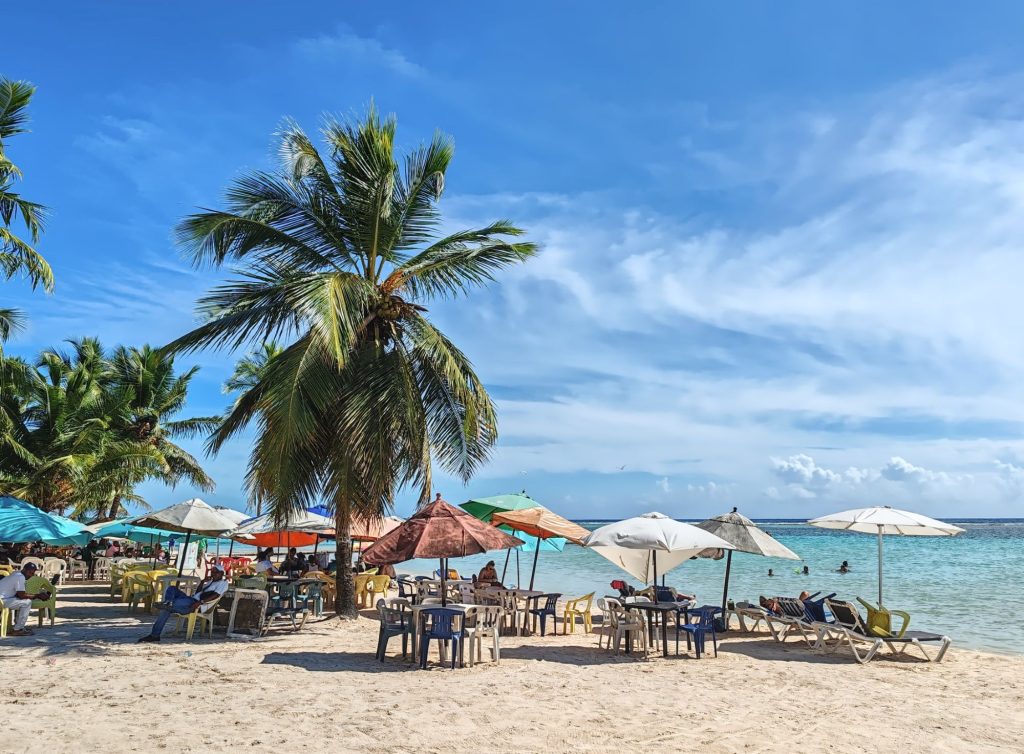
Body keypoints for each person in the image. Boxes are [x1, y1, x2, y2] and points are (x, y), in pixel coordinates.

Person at [138, 563, 229, 643]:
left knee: (165, 609)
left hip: (196, 603)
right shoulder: (211, 581)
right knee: (172, 588)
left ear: (221, 573)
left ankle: (154, 635)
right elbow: (198, 592)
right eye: (212, 572)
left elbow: (216, 595)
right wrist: (202, 582)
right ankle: (168, 602)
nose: (213, 574)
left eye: (215, 572)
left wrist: (200, 602)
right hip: (191, 600)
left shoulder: (223, 583)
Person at [0, 563, 51, 636]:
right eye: (30, 572)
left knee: (21, 601)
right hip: (1, 601)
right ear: (24, 570)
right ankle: (18, 629)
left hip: (3, 599)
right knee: (26, 603)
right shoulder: (20, 577)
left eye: (32, 573)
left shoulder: (16, 573)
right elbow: (21, 595)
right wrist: (38, 596)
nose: (31, 575)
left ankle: (17, 626)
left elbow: (19, 594)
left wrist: (36, 595)